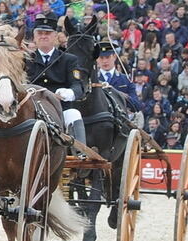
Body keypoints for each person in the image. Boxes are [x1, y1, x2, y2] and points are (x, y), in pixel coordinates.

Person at [27, 12, 86, 146]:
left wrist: (68, 93)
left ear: (55, 36)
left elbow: (78, 85)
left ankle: (81, 156)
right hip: (32, 109)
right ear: (34, 37)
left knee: (74, 114)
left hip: (60, 109)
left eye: (47, 33)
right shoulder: (26, 60)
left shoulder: (68, 60)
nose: (43, 36)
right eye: (40, 33)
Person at [94, 41, 140, 111]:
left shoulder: (125, 79)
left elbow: (136, 105)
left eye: (107, 57)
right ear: (97, 59)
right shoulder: (93, 79)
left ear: (114, 57)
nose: (104, 61)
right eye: (101, 58)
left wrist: (123, 96)